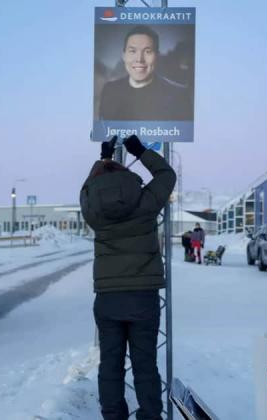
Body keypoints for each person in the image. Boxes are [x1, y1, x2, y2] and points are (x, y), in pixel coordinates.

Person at [80, 134, 177, 420]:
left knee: (110, 365)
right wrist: (140, 150)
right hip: (143, 298)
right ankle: (150, 415)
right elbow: (166, 174)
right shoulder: (145, 202)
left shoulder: (94, 209)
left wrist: (103, 159)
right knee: (145, 364)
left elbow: (87, 188)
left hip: (108, 299)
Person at [99, 25, 193, 121]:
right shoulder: (109, 90)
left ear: (157, 56)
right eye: (132, 51)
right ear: (123, 56)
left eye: (147, 51)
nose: (139, 59)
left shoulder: (178, 96)